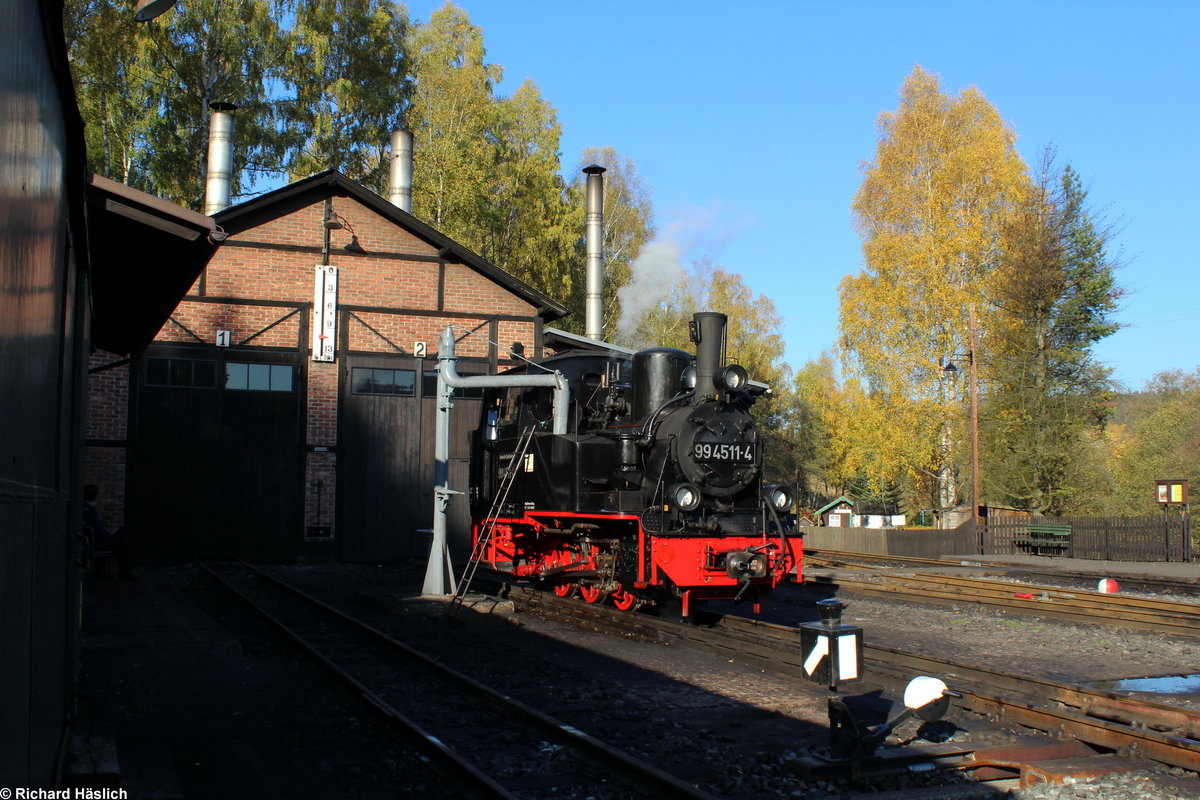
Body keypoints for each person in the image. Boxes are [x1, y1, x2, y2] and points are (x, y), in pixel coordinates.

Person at [83, 484, 135, 578]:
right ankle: (126, 570)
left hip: (94, 540)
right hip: (99, 542)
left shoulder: (84, 509)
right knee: (124, 534)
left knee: (122, 539)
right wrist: (109, 535)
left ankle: (121, 569)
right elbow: (98, 531)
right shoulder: (90, 511)